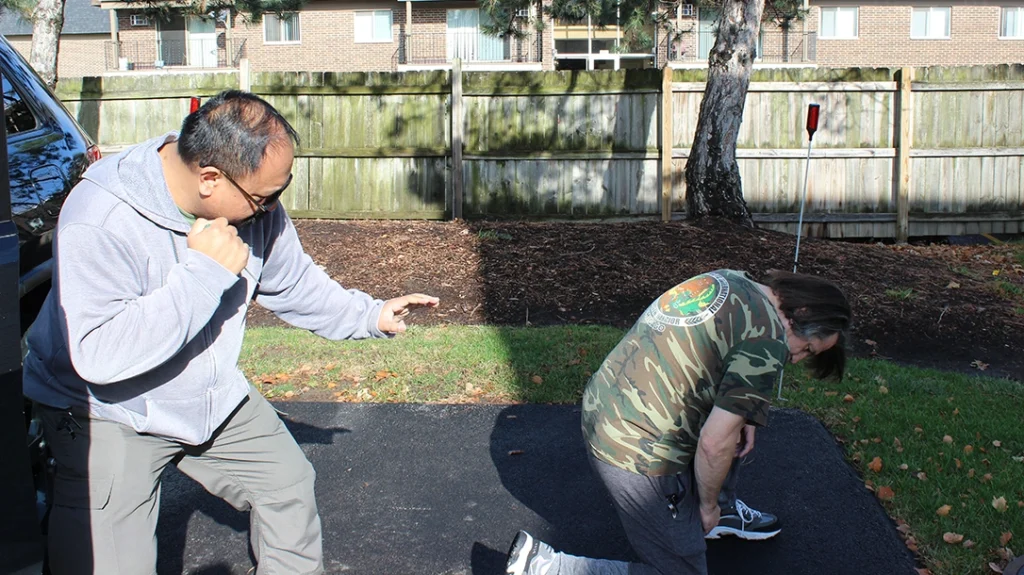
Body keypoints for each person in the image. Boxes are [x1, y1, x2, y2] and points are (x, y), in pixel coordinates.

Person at [22, 90, 438, 575]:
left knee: (287, 487)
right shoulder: (102, 216)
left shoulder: (253, 208)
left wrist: (370, 315)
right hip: (106, 409)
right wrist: (202, 274)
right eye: (264, 198)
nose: (271, 210)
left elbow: (294, 281)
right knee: (108, 562)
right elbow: (98, 354)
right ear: (210, 179)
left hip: (205, 393)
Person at [505, 269, 852, 575]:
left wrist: (743, 409)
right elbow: (714, 444)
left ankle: (722, 514)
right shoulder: (768, 344)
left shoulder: (734, 279)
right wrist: (706, 506)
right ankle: (547, 566)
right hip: (631, 449)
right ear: (801, 312)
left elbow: (712, 353)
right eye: (807, 348)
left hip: (604, 404)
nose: (796, 358)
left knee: (732, 424)